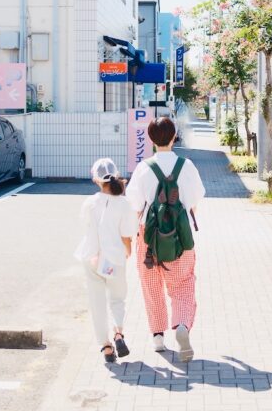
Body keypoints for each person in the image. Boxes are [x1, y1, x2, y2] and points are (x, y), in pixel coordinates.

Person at [126, 117, 206, 362]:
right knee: (182, 284)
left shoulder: (143, 167)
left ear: (151, 140)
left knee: (152, 287)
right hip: (181, 238)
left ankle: (158, 337)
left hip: (149, 238)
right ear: (174, 137)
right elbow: (195, 197)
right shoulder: (187, 165)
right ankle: (181, 324)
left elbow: (135, 203)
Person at [73, 158, 137, 364]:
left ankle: (106, 347)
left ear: (95, 179)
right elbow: (127, 234)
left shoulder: (89, 203)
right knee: (117, 299)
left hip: (91, 258)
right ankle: (118, 332)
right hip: (114, 259)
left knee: (97, 302)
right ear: (116, 174)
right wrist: (128, 251)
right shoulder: (125, 204)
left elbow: (86, 227)